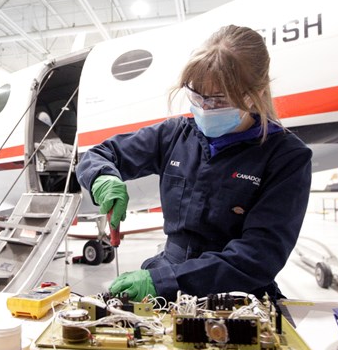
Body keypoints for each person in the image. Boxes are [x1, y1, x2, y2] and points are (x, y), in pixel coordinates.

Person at [76, 25, 312, 302]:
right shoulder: (175, 135)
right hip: (167, 274)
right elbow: (100, 154)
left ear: (256, 93)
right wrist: (104, 179)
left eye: (219, 99)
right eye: (197, 96)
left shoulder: (286, 156)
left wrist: (166, 281)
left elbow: (258, 256)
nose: (205, 107)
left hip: (236, 291)